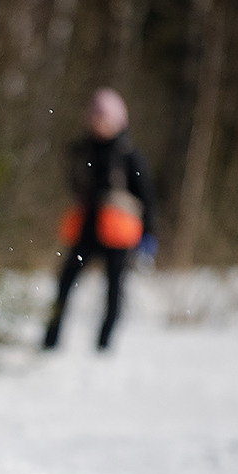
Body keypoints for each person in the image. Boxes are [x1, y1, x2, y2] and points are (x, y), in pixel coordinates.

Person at [43, 87, 157, 351]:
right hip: (88, 229)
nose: (96, 123)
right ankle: (50, 340)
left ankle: (104, 345)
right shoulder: (83, 150)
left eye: (102, 118)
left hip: (119, 235)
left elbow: (148, 198)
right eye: (93, 117)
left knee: (114, 291)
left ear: (117, 120)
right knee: (64, 283)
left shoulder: (129, 156)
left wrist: (149, 235)